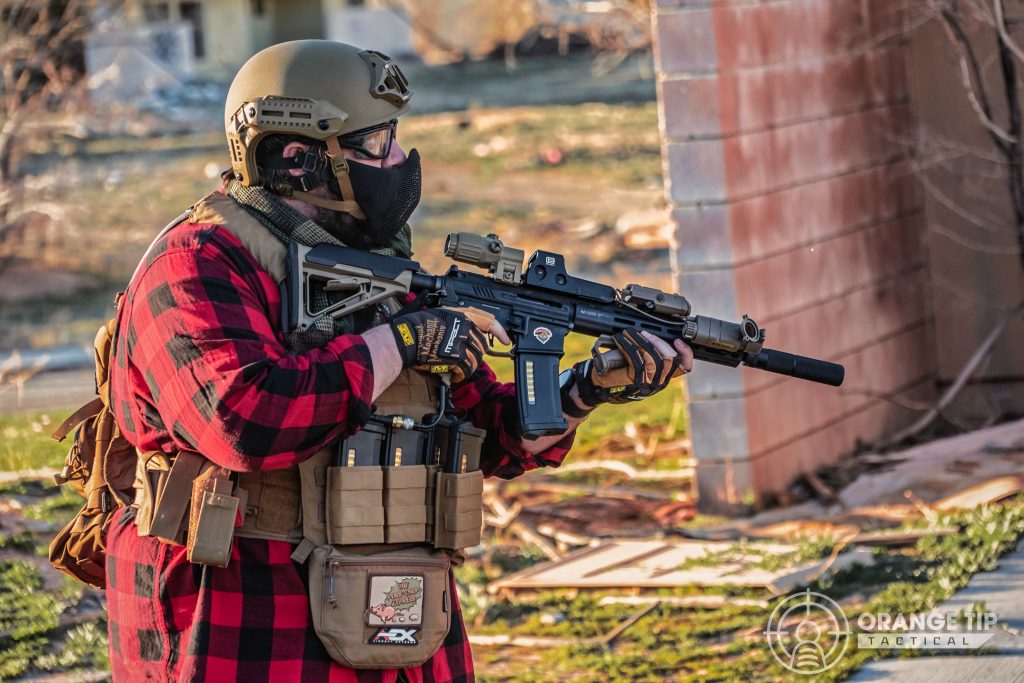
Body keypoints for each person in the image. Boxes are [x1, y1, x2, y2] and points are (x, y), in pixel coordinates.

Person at [104, 40, 693, 682]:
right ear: (298, 158)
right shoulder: (196, 263)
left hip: (397, 613)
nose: (399, 162)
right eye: (375, 144)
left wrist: (584, 389)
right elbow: (245, 419)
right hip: (244, 620)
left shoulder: (378, 270)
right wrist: (401, 343)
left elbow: (493, 436)